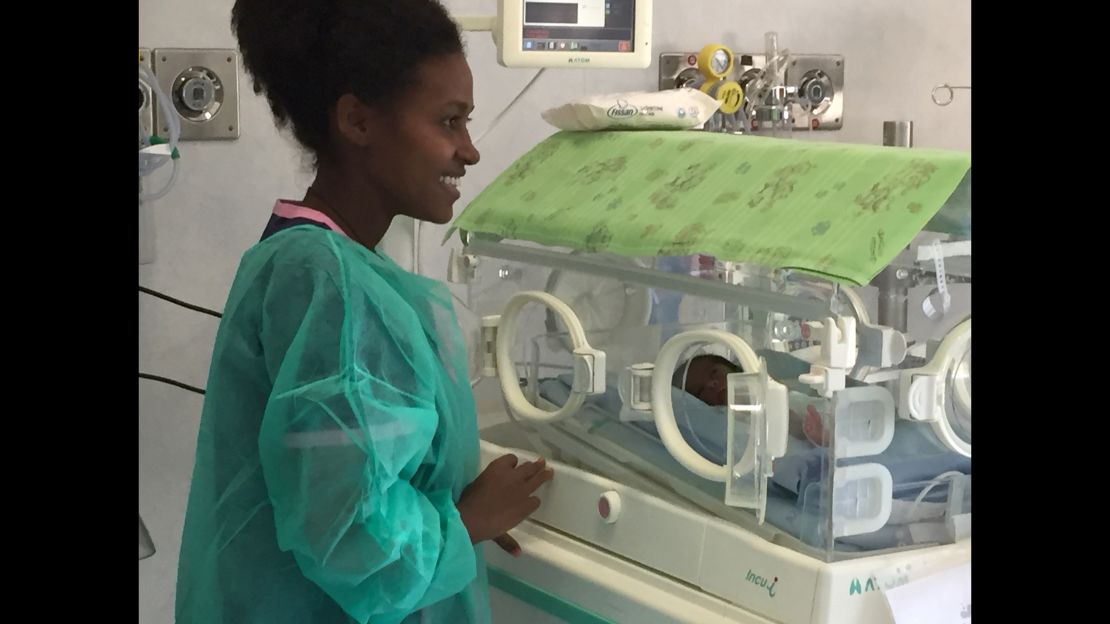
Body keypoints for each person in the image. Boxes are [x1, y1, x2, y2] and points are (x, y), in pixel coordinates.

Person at [175, 1, 552, 622]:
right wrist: (463, 522)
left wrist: (448, 512)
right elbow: (344, 535)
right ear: (357, 121)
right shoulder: (324, 281)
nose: (470, 151)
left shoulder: (336, 267)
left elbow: (344, 472)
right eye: (449, 121)